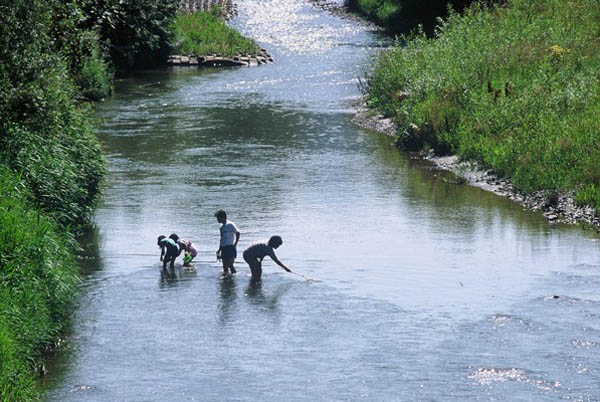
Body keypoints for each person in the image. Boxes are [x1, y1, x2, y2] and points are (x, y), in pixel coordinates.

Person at [215, 210, 240, 275]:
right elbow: (222, 239)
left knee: (230, 264)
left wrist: (235, 244)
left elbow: (238, 233)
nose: (217, 219)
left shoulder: (230, 224)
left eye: (218, 218)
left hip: (230, 247)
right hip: (224, 248)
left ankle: (234, 277)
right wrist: (219, 249)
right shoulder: (221, 227)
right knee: (224, 266)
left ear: (222, 217)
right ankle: (226, 280)